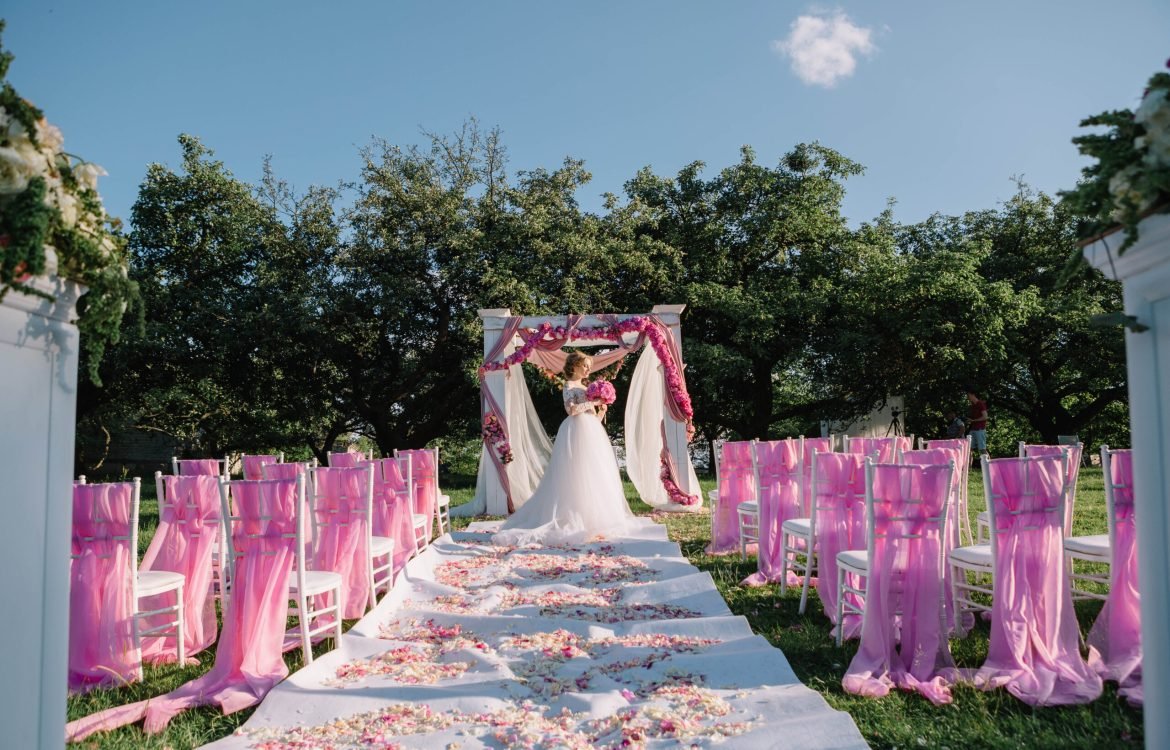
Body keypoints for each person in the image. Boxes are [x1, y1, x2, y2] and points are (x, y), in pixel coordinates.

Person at [492, 351, 637, 546]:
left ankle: (591, 517)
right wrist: (592, 401)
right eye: (585, 365)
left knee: (591, 474)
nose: (587, 369)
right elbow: (571, 410)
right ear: (574, 366)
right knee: (574, 473)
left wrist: (601, 409)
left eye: (588, 366)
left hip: (591, 433)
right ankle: (570, 515)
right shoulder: (569, 386)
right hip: (574, 432)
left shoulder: (586, 387)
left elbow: (593, 418)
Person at [966, 389, 989, 458]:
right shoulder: (973, 405)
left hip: (980, 429)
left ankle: (988, 466)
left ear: (973, 395)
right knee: (968, 449)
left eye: (968, 395)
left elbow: (985, 417)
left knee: (982, 449)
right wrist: (970, 420)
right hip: (973, 429)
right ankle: (968, 467)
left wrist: (973, 421)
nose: (968, 397)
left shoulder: (980, 404)